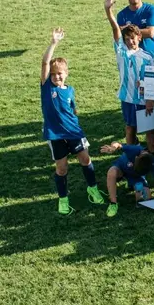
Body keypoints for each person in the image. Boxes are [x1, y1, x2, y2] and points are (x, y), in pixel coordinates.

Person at [41, 28, 105, 215]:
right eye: (53, 74)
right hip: (55, 135)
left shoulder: (70, 90)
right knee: (62, 169)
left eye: (59, 73)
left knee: (85, 159)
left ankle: (92, 188)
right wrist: (54, 43)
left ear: (66, 73)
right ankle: (63, 199)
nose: (56, 77)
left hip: (74, 132)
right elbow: (45, 62)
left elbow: (72, 108)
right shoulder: (46, 88)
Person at [104, 0, 154, 152]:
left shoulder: (148, 57)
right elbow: (115, 29)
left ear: (139, 37)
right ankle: (132, 155)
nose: (130, 41)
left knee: (150, 129)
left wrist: (150, 100)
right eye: (127, 39)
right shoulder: (121, 52)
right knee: (130, 128)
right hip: (127, 97)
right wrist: (109, 11)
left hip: (144, 99)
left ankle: (153, 155)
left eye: (133, 38)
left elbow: (151, 81)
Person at [100, 141, 154, 216]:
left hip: (135, 176)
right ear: (136, 157)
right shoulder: (134, 149)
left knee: (145, 199)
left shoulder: (153, 163)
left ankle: (135, 185)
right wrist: (113, 148)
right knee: (112, 172)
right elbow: (117, 144)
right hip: (121, 169)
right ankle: (113, 203)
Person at [116, 0, 154, 64]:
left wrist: (128, 29)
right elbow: (121, 36)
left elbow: (151, 33)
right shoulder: (121, 15)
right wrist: (143, 31)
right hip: (131, 62)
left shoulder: (150, 9)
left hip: (151, 59)